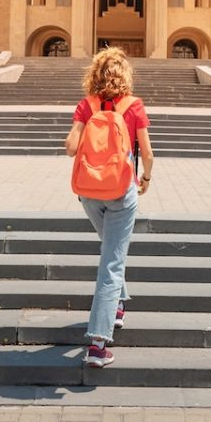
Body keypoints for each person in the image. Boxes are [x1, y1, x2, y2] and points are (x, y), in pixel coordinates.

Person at [64, 47, 154, 368]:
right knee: (112, 262)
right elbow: (147, 152)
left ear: (95, 74)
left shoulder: (86, 105)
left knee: (110, 251)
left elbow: (70, 148)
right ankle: (98, 345)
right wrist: (146, 177)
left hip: (89, 192)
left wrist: (89, 127)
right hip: (121, 191)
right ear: (125, 75)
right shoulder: (134, 106)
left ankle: (117, 305)